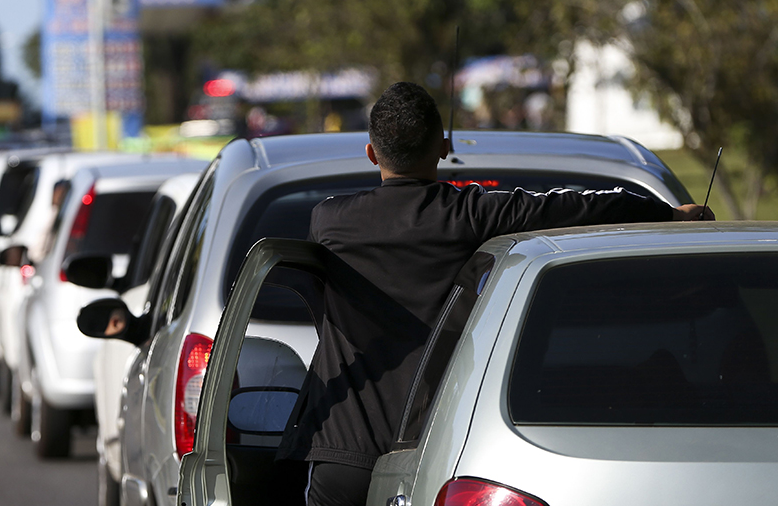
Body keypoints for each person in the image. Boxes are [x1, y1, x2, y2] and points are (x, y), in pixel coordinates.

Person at [275, 82, 712, 506]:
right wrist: (666, 213)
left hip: (341, 457)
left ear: (371, 153)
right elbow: (576, 205)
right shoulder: (470, 215)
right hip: (436, 452)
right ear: (443, 146)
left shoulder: (328, 221)